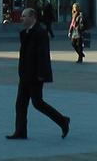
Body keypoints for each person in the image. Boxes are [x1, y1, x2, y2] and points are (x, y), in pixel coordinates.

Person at [7, 7, 70, 140]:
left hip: (35, 75)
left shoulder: (40, 33)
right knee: (20, 104)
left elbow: (43, 55)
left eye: (24, 16)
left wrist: (42, 74)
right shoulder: (26, 32)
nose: (21, 18)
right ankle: (20, 131)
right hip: (25, 74)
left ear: (32, 17)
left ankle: (62, 120)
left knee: (38, 103)